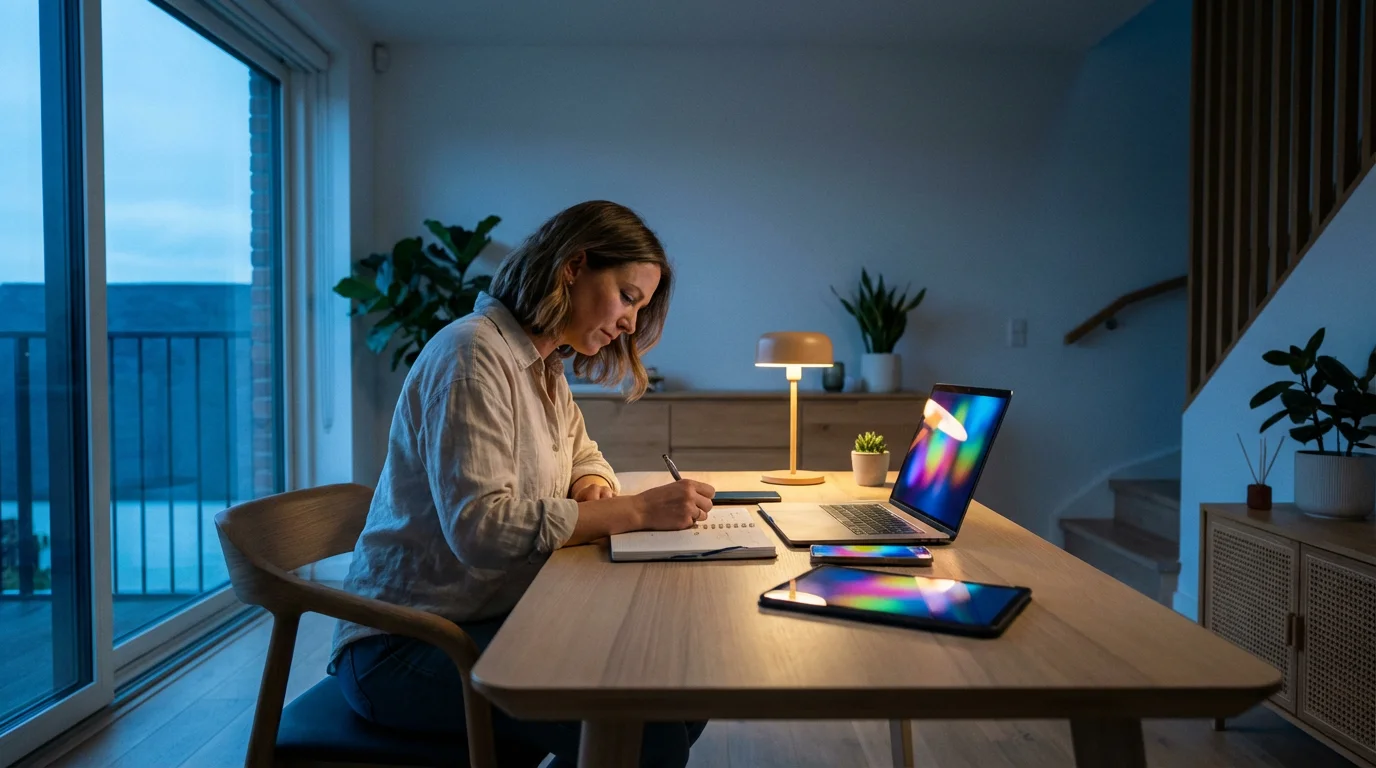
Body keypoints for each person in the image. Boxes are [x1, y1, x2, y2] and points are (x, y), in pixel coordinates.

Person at [329, 200, 712, 767]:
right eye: (628, 297)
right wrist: (631, 512)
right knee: (646, 726)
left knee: (678, 686)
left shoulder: (541, 363)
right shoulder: (472, 355)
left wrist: (591, 483)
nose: (632, 322)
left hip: (481, 617)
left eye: (640, 306)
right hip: (405, 648)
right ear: (573, 267)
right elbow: (480, 529)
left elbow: (584, 450)